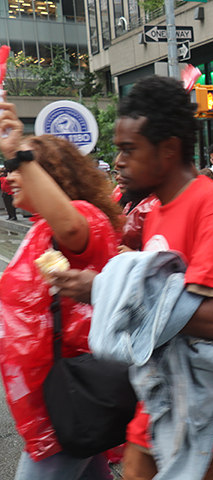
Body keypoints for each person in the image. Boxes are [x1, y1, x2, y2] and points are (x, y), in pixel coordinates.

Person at [52, 76, 213, 480]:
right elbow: (162, 299)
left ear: (168, 149)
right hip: (160, 405)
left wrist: (104, 289)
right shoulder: (157, 211)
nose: (119, 161)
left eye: (129, 149)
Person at [0, 101, 123, 479]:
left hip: (70, 398)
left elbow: (70, 228)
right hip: (54, 397)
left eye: (22, 168)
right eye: (11, 168)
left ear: (50, 175)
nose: (11, 175)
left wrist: (15, 149)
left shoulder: (85, 217)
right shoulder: (40, 229)